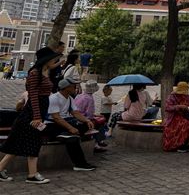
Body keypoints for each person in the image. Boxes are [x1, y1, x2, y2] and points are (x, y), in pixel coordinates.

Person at [0, 47, 61, 184]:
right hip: (31, 113)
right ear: (46, 60)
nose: (55, 61)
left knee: (20, 143)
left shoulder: (45, 72)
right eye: (53, 59)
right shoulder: (35, 73)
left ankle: (25, 173)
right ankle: (32, 174)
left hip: (38, 112)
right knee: (32, 141)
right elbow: (33, 95)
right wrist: (37, 116)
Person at [163, 82, 189, 152]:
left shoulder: (187, 96)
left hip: (185, 116)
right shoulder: (172, 97)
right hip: (174, 117)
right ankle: (180, 144)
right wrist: (179, 106)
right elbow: (167, 107)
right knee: (184, 123)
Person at [73, 80, 108, 152]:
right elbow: (89, 114)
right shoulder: (90, 99)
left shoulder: (79, 96)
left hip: (75, 117)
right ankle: (97, 143)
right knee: (100, 123)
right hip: (83, 120)